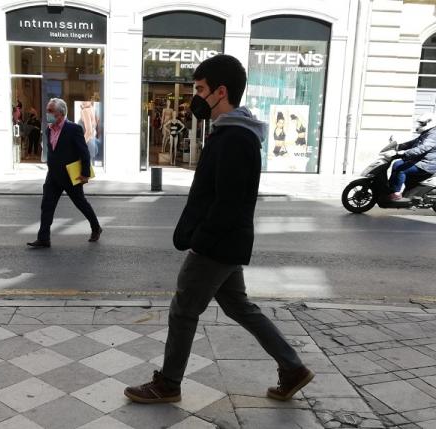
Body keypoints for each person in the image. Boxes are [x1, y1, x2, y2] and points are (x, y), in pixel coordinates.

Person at [124, 54, 314, 404]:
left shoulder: (235, 139)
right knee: (239, 307)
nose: (194, 97)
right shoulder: (230, 134)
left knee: (183, 310)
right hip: (227, 242)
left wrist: (200, 242)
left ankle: (168, 384)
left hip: (216, 245)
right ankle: (292, 367)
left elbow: (227, 202)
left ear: (220, 91)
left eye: (199, 89)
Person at [26, 98, 102, 248]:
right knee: (47, 206)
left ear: (60, 113)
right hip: (53, 176)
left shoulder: (73, 129)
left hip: (70, 175)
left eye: (50, 111)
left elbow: (84, 152)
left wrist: (85, 174)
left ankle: (96, 227)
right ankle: (43, 239)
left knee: (81, 203)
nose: (47, 114)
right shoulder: (49, 128)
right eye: (47, 110)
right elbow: (52, 151)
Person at [385, 112, 436, 201]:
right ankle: (391, 190)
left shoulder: (433, 135)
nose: (420, 125)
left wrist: (404, 153)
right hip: (421, 161)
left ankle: (396, 194)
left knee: (401, 170)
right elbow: (413, 143)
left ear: (430, 122)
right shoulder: (427, 133)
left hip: (427, 164)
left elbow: (422, 148)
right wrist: (398, 147)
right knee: (396, 164)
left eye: (422, 123)